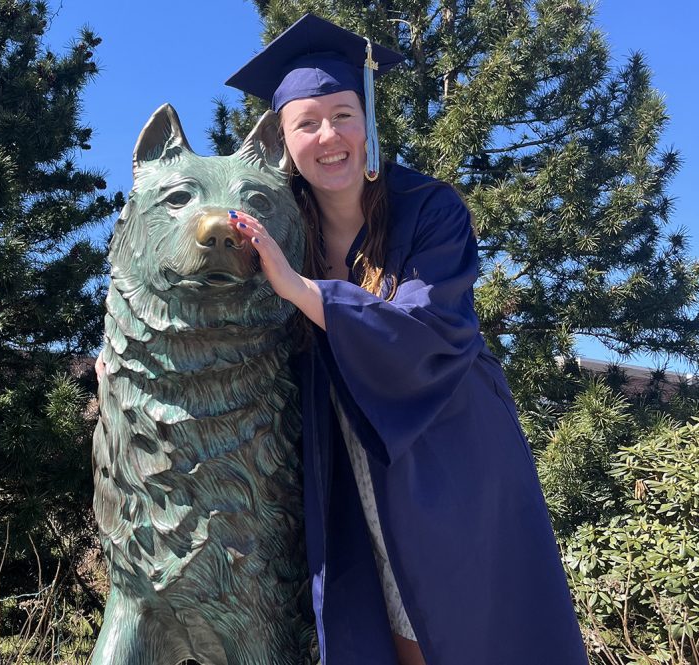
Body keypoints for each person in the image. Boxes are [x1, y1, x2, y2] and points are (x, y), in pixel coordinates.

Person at [223, 13, 589, 665]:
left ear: (366, 119)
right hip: (348, 456)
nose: (328, 136)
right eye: (306, 122)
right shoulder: (286, 227)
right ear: (284, 140)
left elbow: (429, 331)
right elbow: (229, 320)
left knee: (467, 627)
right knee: (383, 629)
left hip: (451, 452)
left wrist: (302, 290)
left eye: (342, 114)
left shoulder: (430, 208)